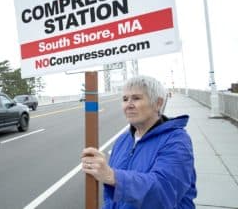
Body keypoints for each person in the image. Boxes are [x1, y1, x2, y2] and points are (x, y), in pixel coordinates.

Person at [81, 75, 197, 209]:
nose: (128, 105)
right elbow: (112, 198)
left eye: (136, 98)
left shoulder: (176, 140)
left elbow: (164, 191)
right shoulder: (123, 140)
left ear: (158, 103)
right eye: (125, 99)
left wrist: (111, 176)